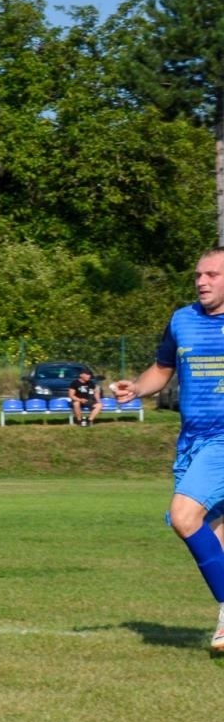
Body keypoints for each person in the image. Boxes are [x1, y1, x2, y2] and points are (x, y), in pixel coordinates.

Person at [113, 246, 224, 655]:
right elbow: (162, 369)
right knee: (213, 532)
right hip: (192, 440)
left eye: (212, 274)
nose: (201, 281)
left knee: (183, 516)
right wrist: (136, 389)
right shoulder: (182, 321)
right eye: (198, 274)